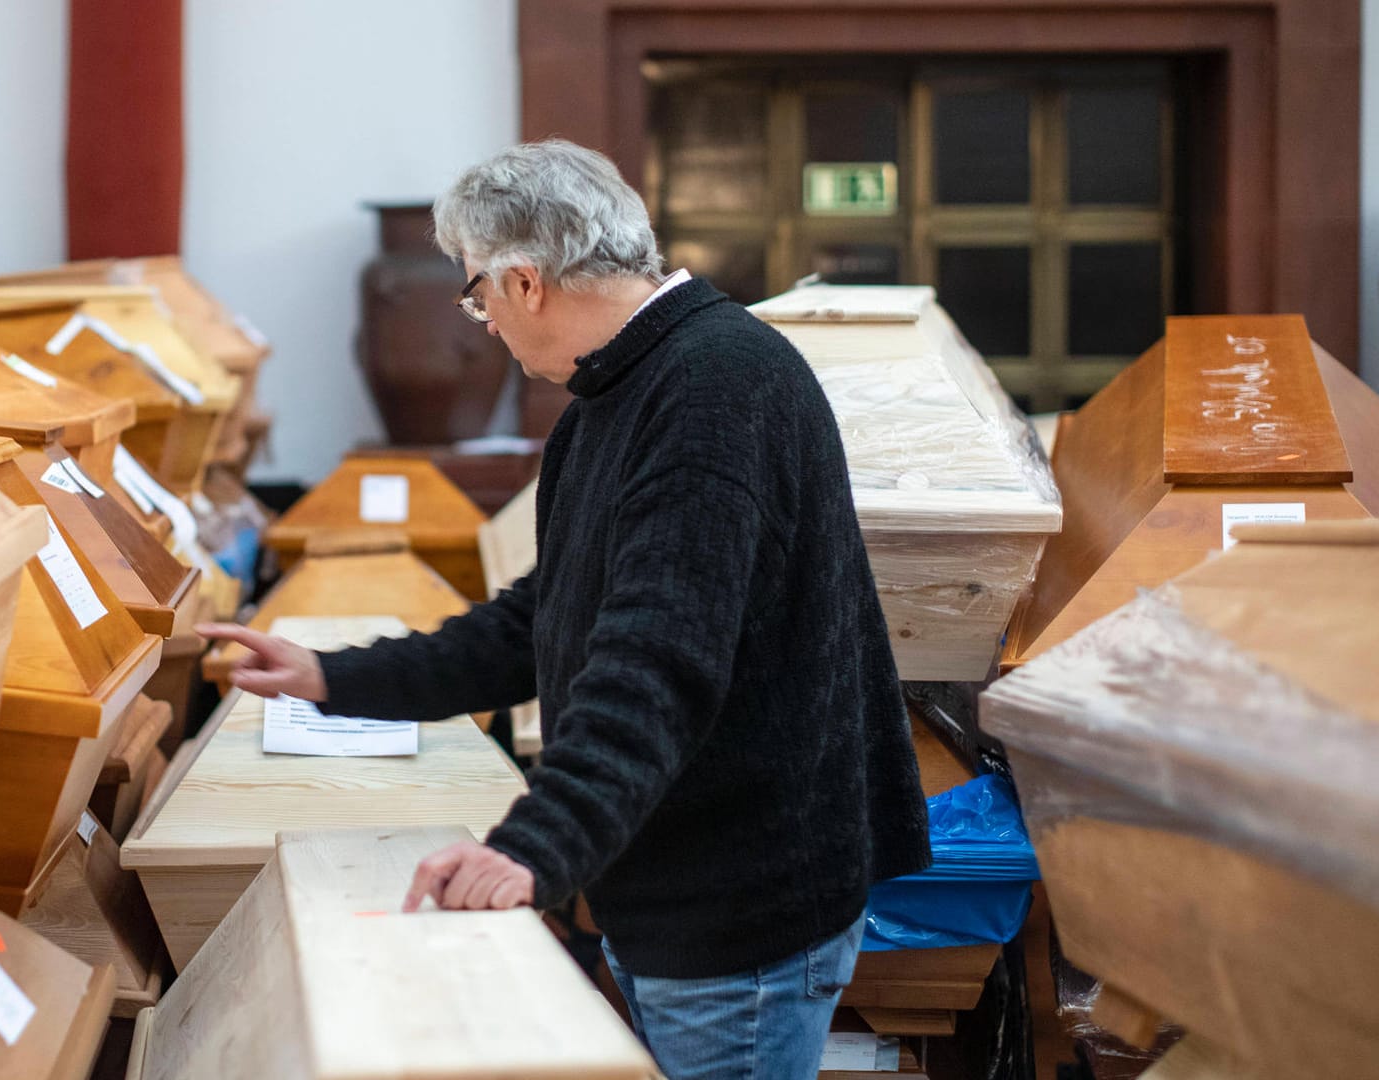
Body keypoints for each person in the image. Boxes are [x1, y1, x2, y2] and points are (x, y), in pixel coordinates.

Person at [200, 139, 930, 1080]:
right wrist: (332, 677)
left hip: (738, 902)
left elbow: (655, 660)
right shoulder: (613, 397)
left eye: (475, 296)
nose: (483, 325)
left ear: (526, 282)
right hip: (671, 878)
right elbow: (544, 618)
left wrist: (535, 850)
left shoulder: (715, 389)